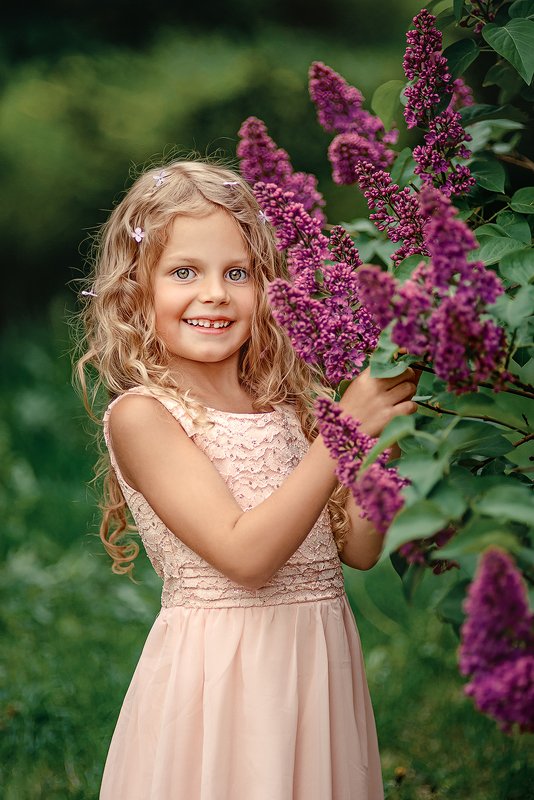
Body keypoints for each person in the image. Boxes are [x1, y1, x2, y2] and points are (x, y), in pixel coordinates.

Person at [75, 159, 417, 800]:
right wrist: (345, 427)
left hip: (316, 666)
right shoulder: (145, 416)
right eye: (184, 272)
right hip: (224, 680)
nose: (215, 293)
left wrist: (379, 436)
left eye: (238, 273)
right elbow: (246, 556)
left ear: (268, 287)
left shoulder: (292, 408)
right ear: (135, 290)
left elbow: (361, 550)